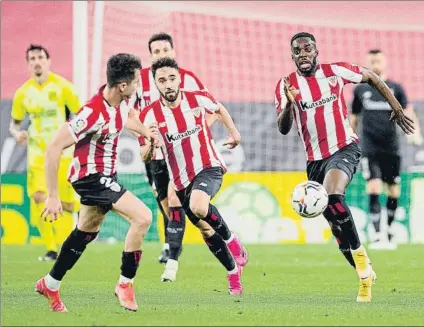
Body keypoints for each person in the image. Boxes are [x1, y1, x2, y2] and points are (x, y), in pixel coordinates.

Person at [275, 32, 414, 303]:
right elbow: (283, 128)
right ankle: (364, 272)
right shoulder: (286, 85)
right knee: (335, 225)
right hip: (315, 161)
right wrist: (289, 106)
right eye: (297, 51)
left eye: (308, 49)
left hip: (344, 148)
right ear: (292, 56)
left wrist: (396, 107)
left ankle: (363, 266)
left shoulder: (335, 71)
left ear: (316, 51)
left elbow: (372, 77)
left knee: (333, 196)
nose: (303, 54)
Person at [35, 53, 159, 312]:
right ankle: (125, 284)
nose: (138, 86)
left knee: (86, 232)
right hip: (90, 177)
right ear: (123, 85)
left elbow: (129, 118)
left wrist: (146, 132)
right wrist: (53, 196)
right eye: (136, 82)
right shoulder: (91, 112)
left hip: (106, 176)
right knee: (143, 217)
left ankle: (50, 283)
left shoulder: (122, 102)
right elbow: (53, 149)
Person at [136, 32, 244, 282]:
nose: (161, 55)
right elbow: (133, 119)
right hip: (158, 158)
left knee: (180, 203)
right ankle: (224, 265)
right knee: (175, 212)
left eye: (165, 51)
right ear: (151, 57)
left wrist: (193, 132)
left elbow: (214, 109)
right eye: (156, 52)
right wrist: (147, 137)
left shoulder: (190, 81)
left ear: (173, 52)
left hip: (190, 158)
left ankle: (171, 263)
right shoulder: (141, 83)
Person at [10, 44, 81, 261]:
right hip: (37, 155)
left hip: (63, 153)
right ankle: (51, 249)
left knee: (67, 204)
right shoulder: (23, 93)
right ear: (28, 64)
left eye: (40, 57)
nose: (36, 61)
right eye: (32, 58)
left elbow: (80, 116)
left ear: (48, 61)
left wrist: (72, 138)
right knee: (40, 197)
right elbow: (14, 124)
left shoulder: (63, 87)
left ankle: (80, 225)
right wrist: (17, 134)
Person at [350, 49, 423, 250]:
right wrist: (349, 138)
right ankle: (376, 234)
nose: (375, 64)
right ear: (367, 63)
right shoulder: (360, 90)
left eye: (378, 60)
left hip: (391, 147)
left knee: (393, 190)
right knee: (373, 187)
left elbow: (408, 111)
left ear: (384, 63)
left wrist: (414, 133)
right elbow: (354, 117)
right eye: (371, 61)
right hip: (369, 147)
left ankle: (389, 231)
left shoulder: (396, 88)